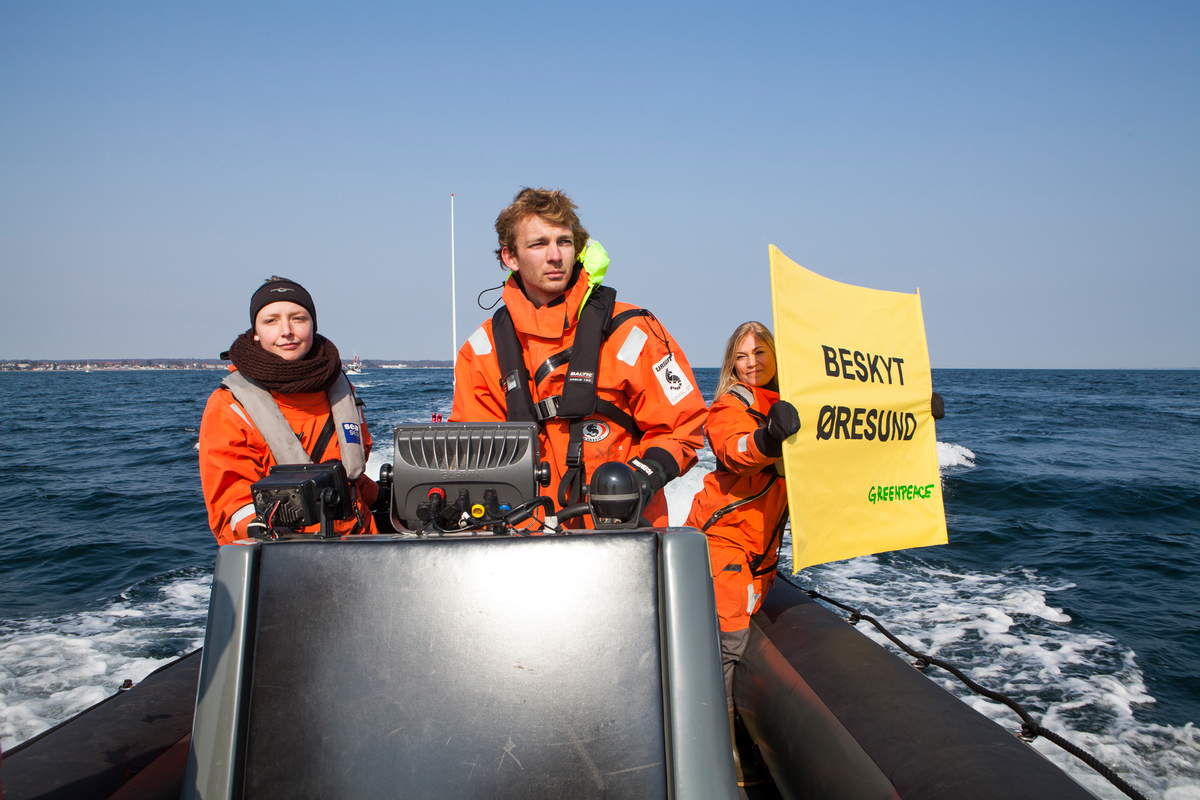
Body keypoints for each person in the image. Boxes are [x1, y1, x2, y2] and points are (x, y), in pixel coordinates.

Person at [450, 188, 707, 527]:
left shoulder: (633, 332)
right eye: (539, 244)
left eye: (564, 242)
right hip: (524, 544)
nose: (555, 255)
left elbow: (682, 426)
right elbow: (473, 456)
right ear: (510, 257)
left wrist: (640, 479)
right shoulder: (481, 351)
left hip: (623, 534)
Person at [684, 321, 800, 784]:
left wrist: (911, 417)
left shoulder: (796, 403)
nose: (752, 363)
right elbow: (735, 450)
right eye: (742, 355)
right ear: (731, 363)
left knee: (737, 639)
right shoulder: (730, 405)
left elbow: (847, 438)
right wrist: (769, 440)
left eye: (761, 352)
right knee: (727, 646)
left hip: (764, 551)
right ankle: (719, 754)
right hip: (724, 540)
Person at [199, 277, 378, 544]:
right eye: (271, 320)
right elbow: (231, 503)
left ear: (313, 326)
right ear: (255, 332)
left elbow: (351, 477)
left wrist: (388, 495)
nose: (286, 331)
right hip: (287, 560)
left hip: (364, 545)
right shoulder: (229, 406)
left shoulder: (340, 387)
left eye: (298, 318)